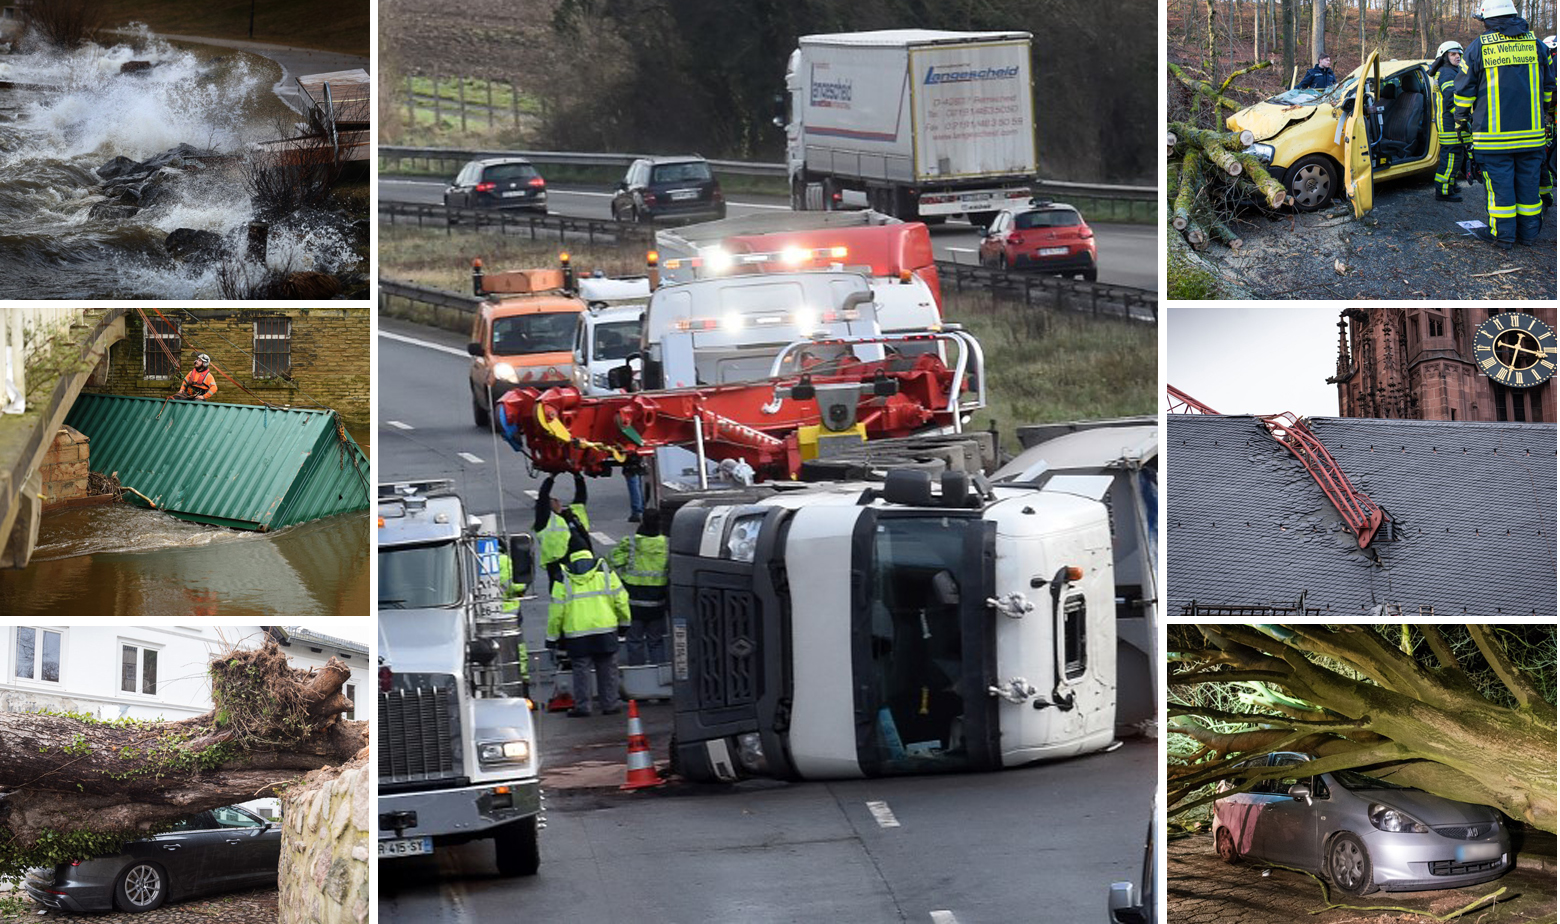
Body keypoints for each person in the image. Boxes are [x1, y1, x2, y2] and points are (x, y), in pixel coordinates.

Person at [1454, 0, 1556, 249]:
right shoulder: (1538, 45)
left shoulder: (1478, 47)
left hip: (1493, 140)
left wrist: (1461, 119)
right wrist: (1546, 114)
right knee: (1529, 187)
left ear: (1487, 20)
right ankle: (1529, 235)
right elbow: (1549, 89)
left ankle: (1504, 237)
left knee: (1501, 191)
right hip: (1532, 137)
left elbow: (1464, 92)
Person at [546, 538, 630, 717]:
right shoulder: (605, 571)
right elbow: (621, 600)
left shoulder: (563, 576)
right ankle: (610, 704)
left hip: (577, 632)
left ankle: (583, 707)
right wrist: (624, 623)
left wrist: (552, 637)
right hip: (605, 628)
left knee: (581, 670)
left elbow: (556, 611)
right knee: (608, 668)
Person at [608, 508, 669, 666]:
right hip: (657, 602)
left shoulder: (631, 543)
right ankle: (658, 673)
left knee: (634, 641)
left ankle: (638, 674)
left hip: (633, 603)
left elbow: (614, 561)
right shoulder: (666, 544)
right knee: (656, 641)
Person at [534, 472, 591, 587]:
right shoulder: (545, 521)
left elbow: (581, 497)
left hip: (583, 559)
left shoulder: (573, 513)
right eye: (552, 500)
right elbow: (543, 497)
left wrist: (578, 477)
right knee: (562, 591)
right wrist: (551, 478)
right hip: (559, 564)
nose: (556, 500)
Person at [1430, 42, 1469, 201]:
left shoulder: (1450, 71)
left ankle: (1450, 184)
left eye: (1459, 53)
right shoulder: (1447, 73)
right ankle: (1443, 191)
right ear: (1445, 56)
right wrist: (1463, 117)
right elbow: (1451, 100)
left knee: (1456, 156)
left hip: (1451, 122)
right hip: (1450, 123)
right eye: (1453, 54)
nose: (1457, 56)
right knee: (1451, 157)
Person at [622, 455, 645, 522]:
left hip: (631, 460)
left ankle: (637, 511)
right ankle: (640, 510)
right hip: (636, 459)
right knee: (637, 485)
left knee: (634, 484)